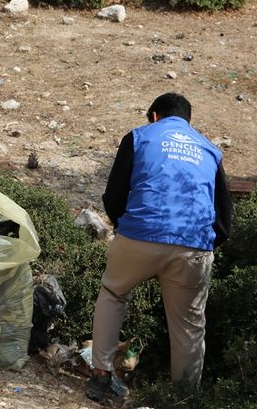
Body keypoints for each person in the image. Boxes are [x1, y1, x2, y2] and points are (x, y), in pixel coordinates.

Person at [86, 92, 232, 402]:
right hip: (194, 246)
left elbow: (113, 196)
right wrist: (202, 246)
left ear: (154, 116)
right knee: (190, 324)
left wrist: (128, 230)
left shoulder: (140, 137)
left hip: (140, 235)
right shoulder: (209, 149)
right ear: (187, 121)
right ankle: (183, 398)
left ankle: (100, 377)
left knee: (113, 293)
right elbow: (224, 218)